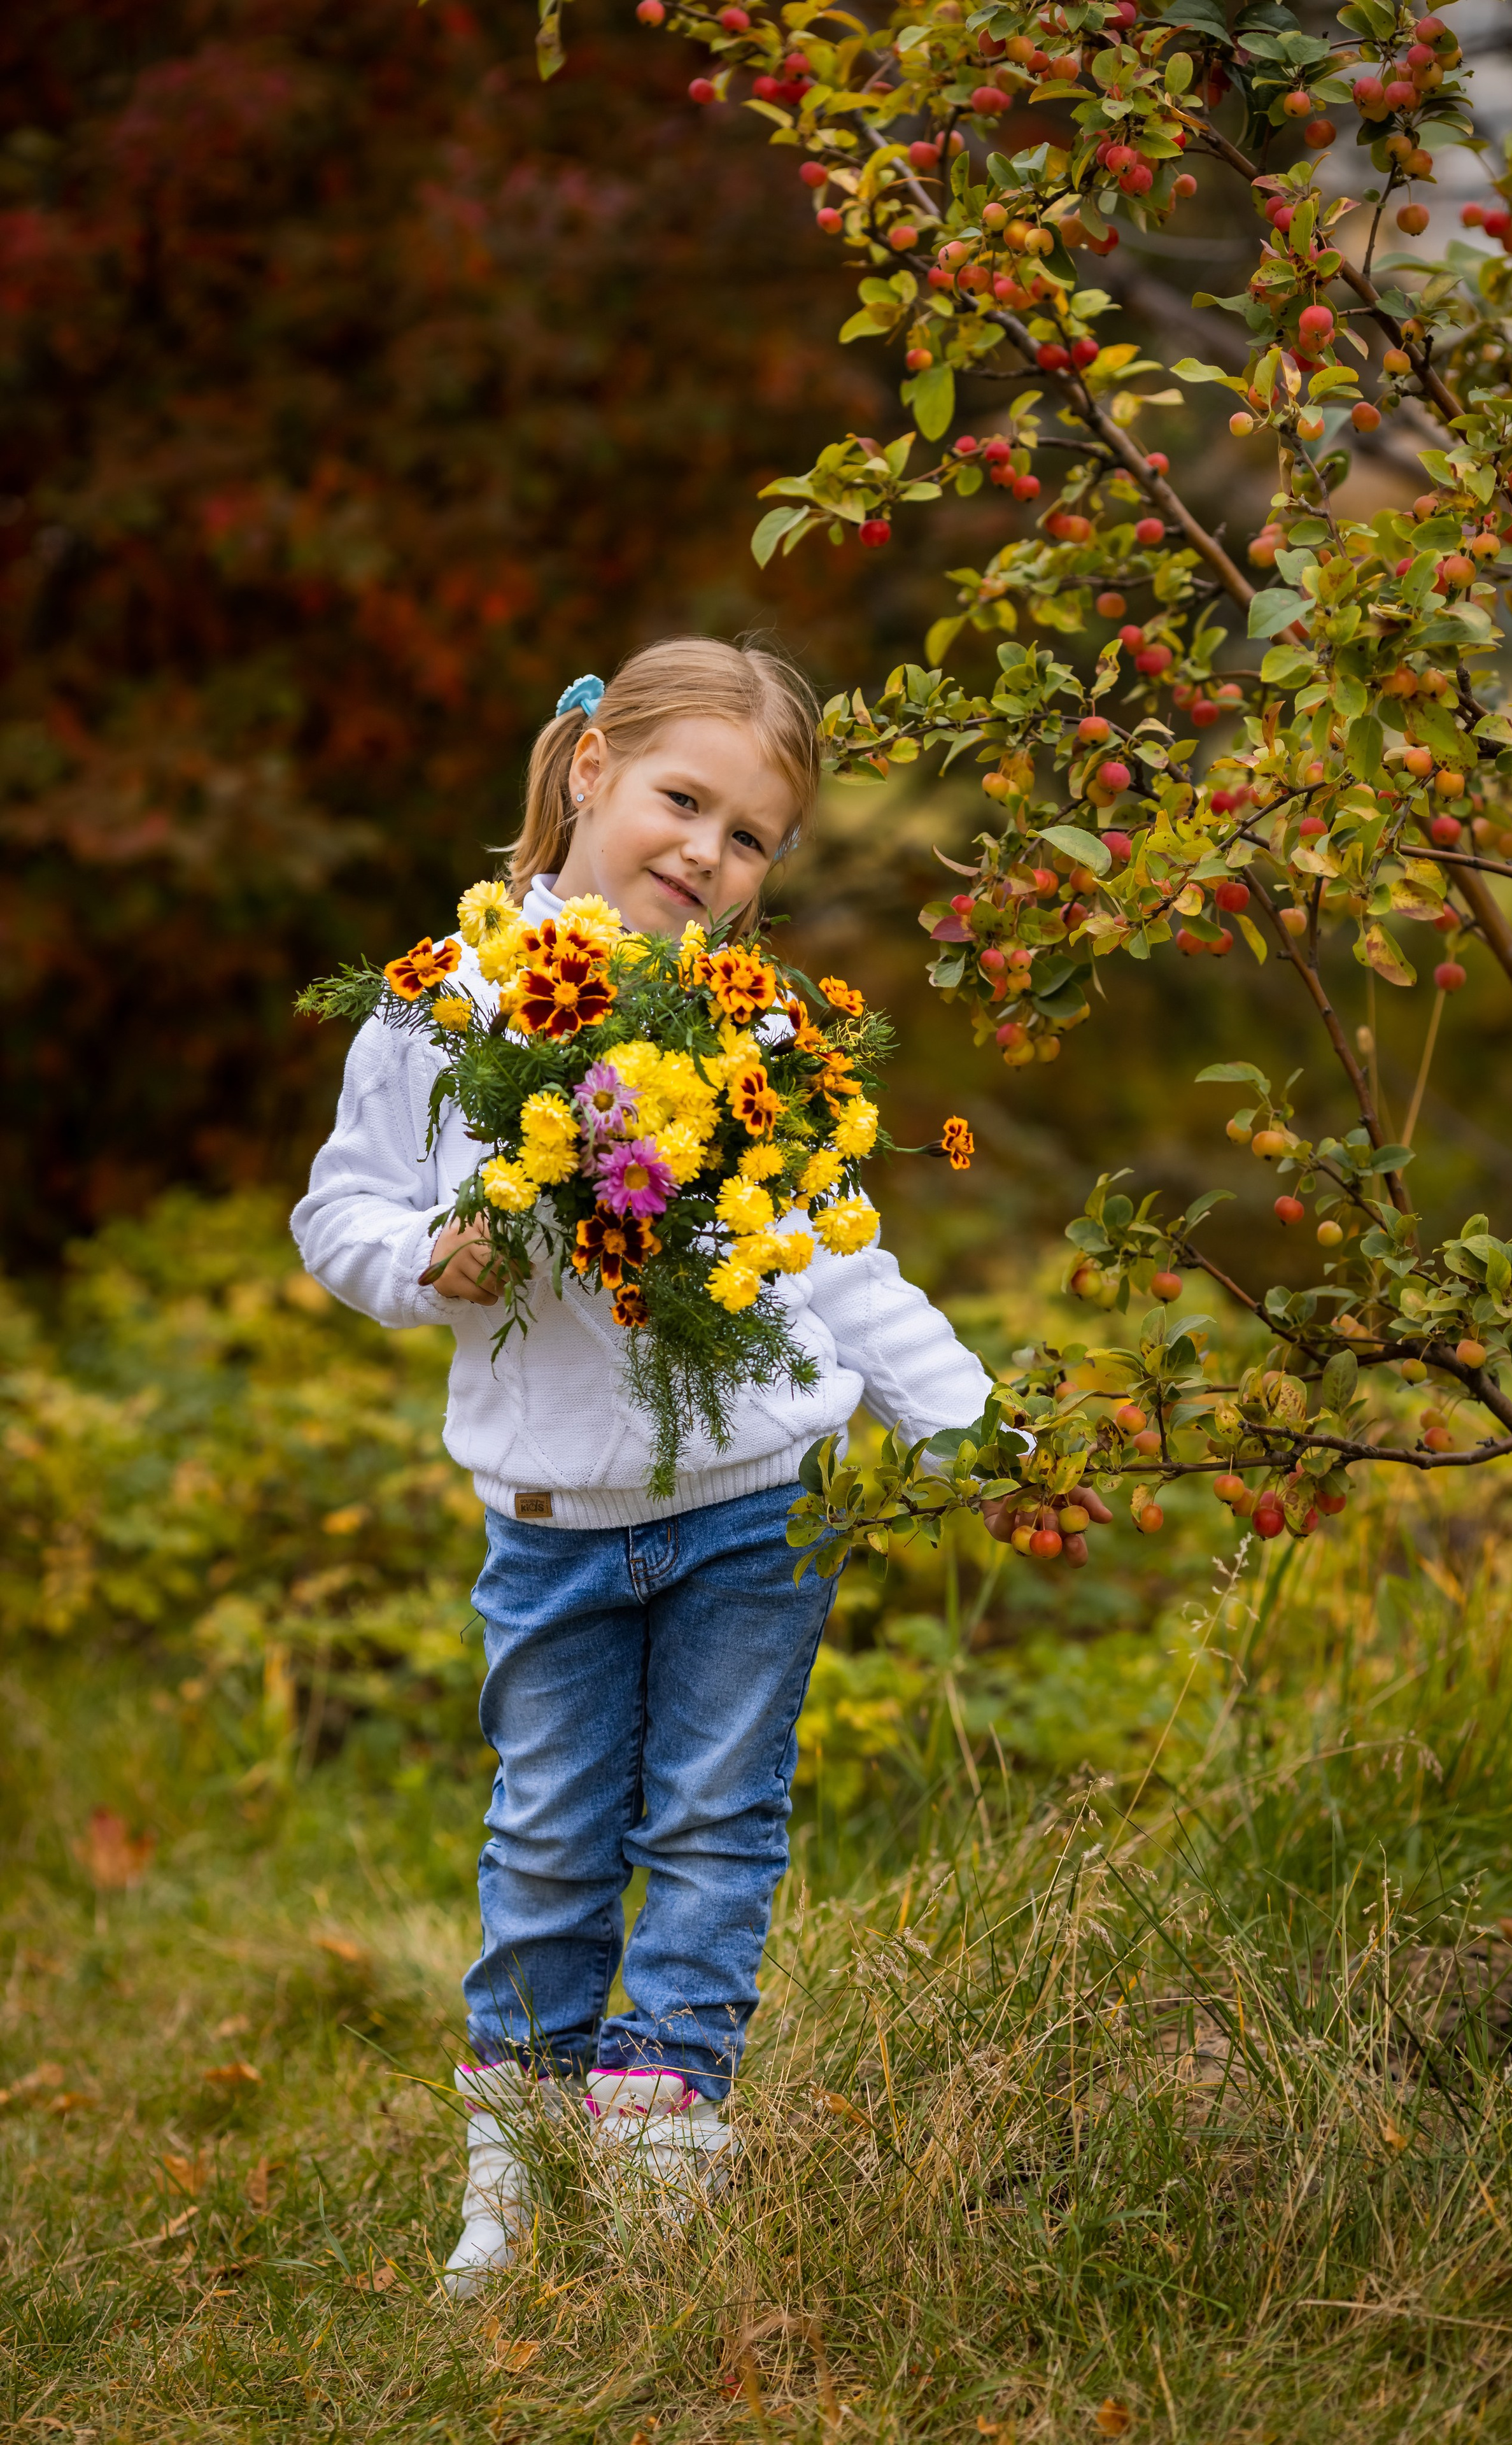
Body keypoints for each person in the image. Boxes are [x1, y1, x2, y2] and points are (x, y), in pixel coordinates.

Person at [290, 637, 989, 2290]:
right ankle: (514, 2184)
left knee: (717, 1830)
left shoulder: (758, 1029)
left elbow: (836, 1258)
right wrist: (429, 1258)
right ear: (592, 767)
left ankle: (663, 2161)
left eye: (751, 837)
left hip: (756, 1505)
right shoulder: (443, 1001)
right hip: (553, 1519)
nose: (709, 854)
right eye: (688, 800)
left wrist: (961, 1418)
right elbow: (341, 1209)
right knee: (547, 1841)